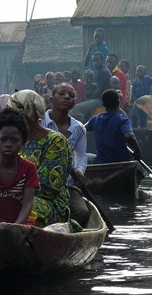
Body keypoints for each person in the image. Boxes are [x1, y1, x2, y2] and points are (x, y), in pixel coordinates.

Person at [7, 90, 72, 226]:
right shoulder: (14, 140)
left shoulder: (55, 141)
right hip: (12, 196)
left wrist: (7, 192)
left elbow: (48, 188)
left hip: (48, 203)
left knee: (15, 207)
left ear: (25, 114)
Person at [41, 82, 89, 226]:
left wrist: (80, 171)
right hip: (39, 184)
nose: (66, 97)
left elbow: (81, 155)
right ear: (52, 98)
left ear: (74, 103)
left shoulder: (79, 128)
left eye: (71, 95)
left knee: (82, 213)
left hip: (67, 185)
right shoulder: (39, 121)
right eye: (61, 94)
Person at [85, 89, 143, 164]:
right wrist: (137, 151)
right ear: (118, 102)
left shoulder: (95, 119)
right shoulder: (122, 119)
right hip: (122, 161)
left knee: (87, 156)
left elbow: (82, 129)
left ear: (103, 104)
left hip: (101, 162)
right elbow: (129, 136)